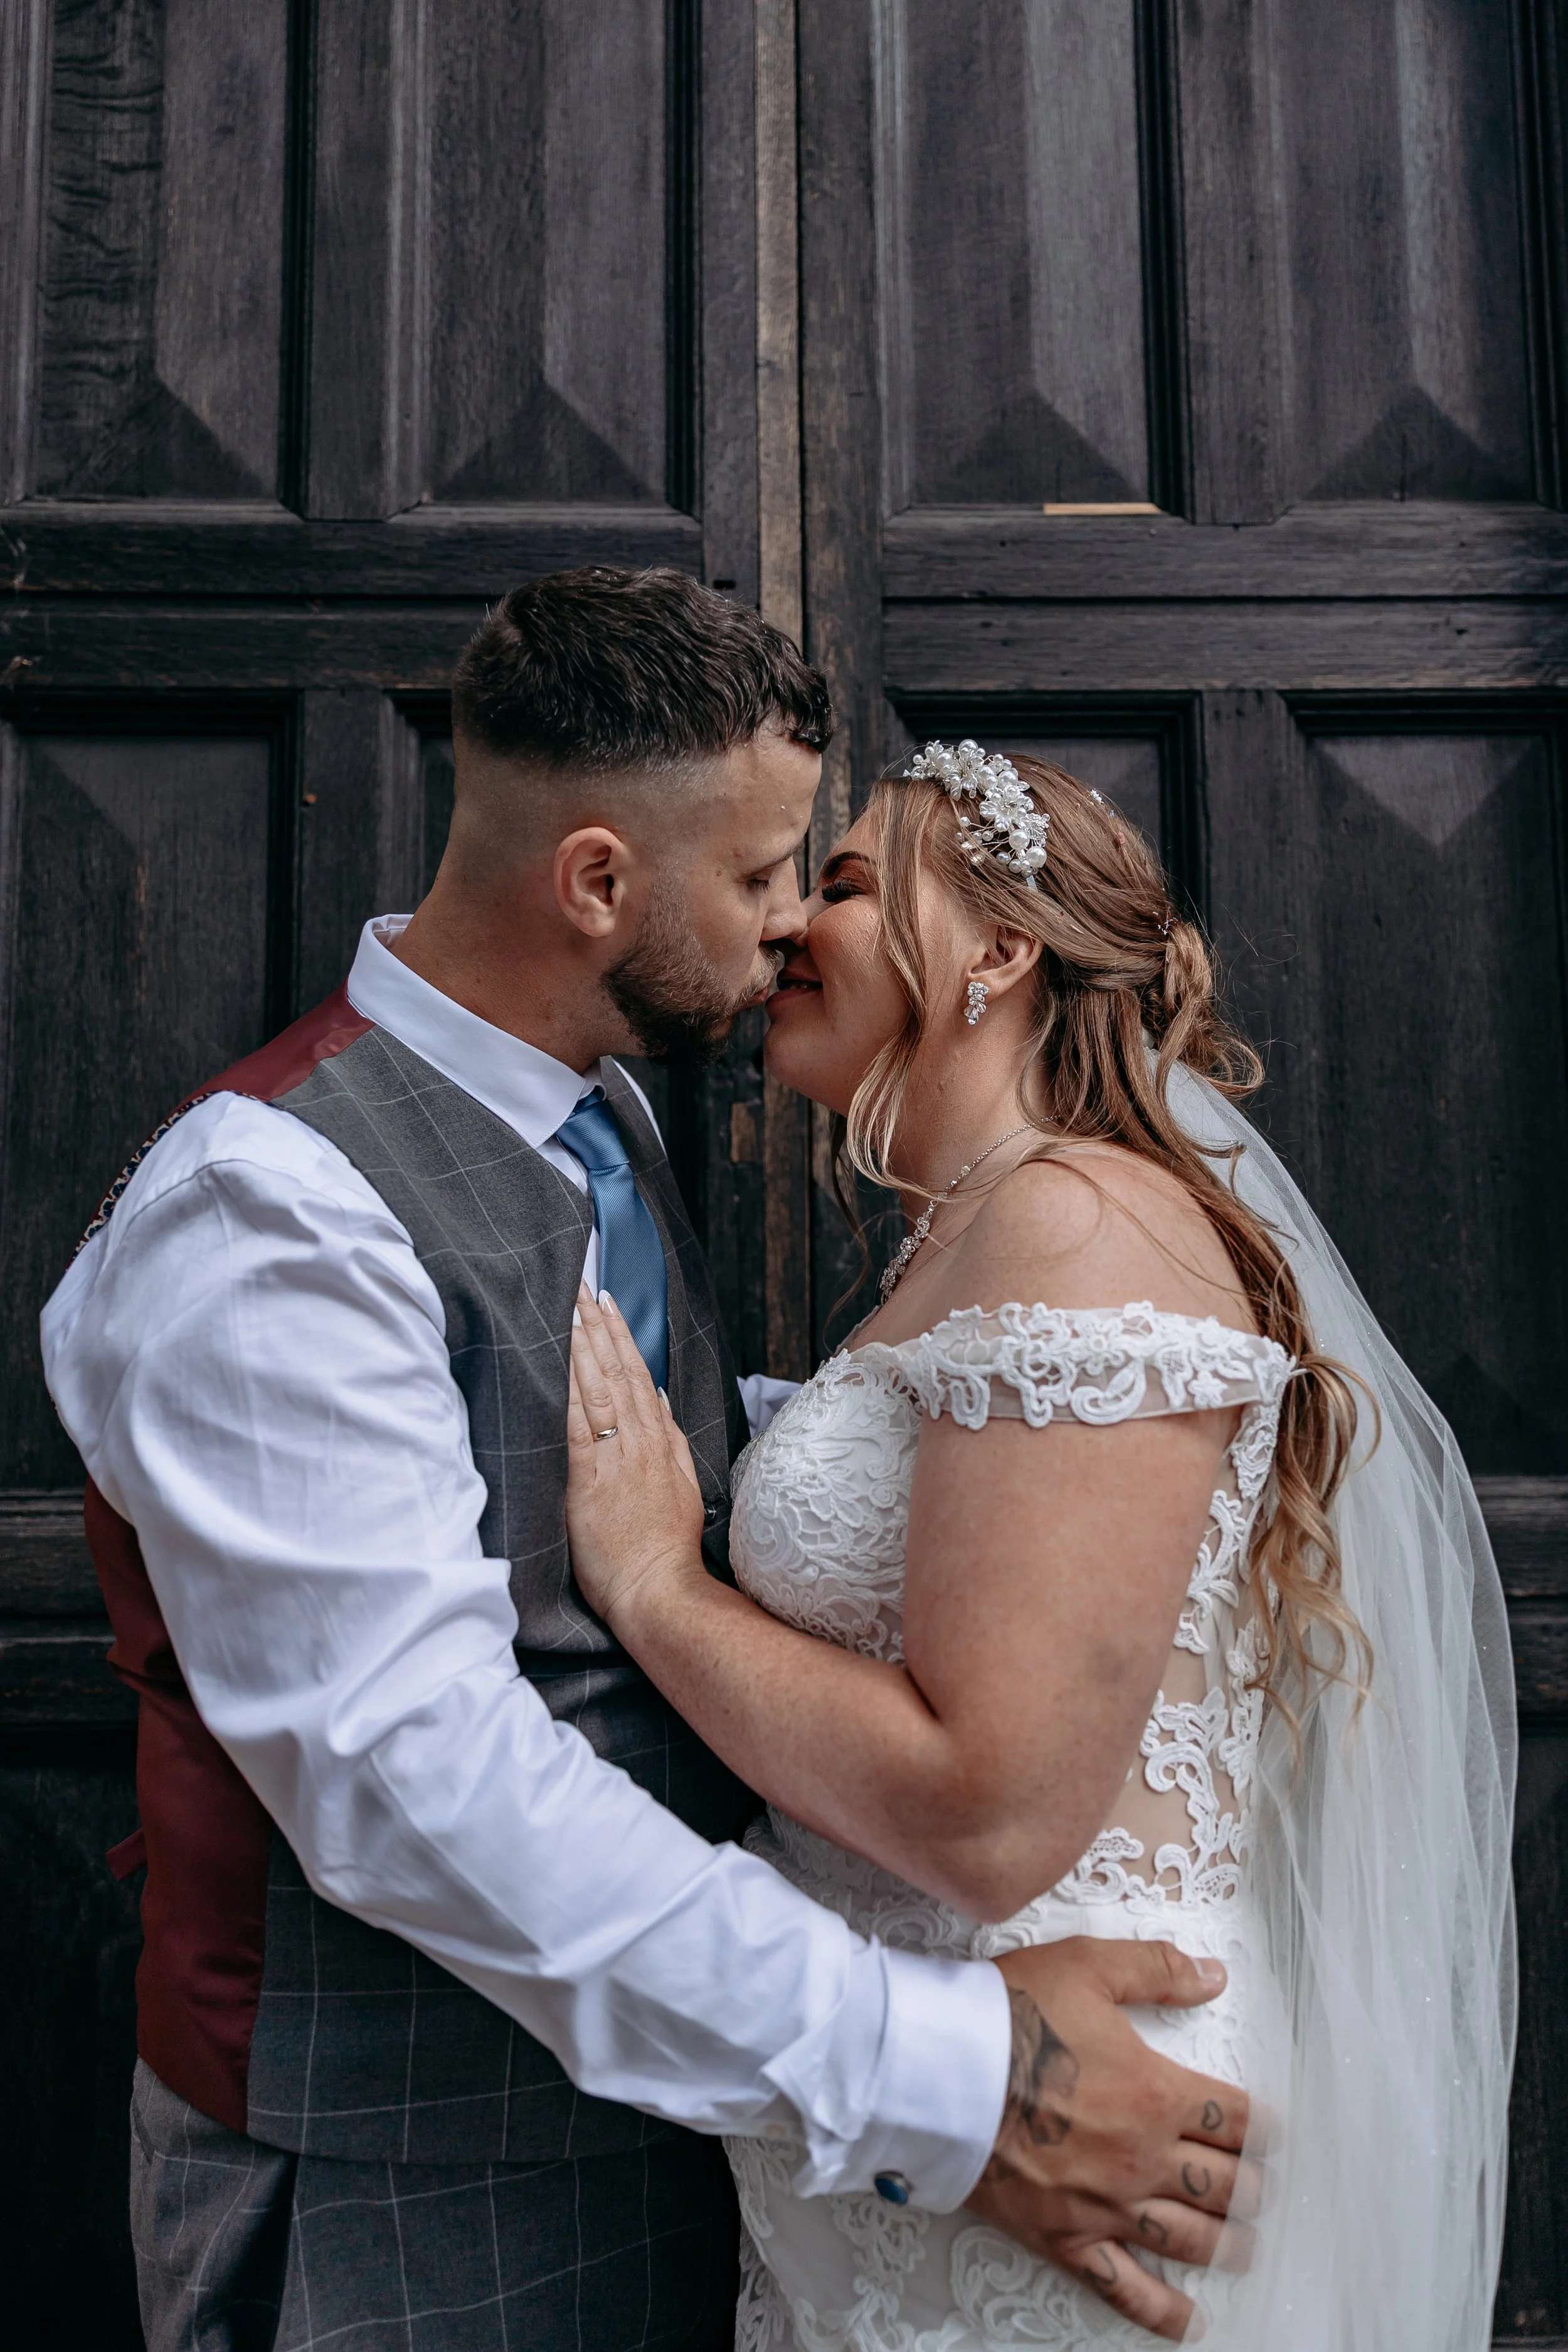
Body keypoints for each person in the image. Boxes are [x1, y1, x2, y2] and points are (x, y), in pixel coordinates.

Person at [42, 578, 1251, 2352]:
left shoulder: (597, 1107)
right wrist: (942, 2069)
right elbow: (413, 1780)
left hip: (711, 2135)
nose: (790, 929)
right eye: (767, 875)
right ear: (597, 880)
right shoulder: (269, 1213)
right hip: (414, 2182)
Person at [562, 739, 1518, 2351]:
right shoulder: (973, 1239)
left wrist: (654, 1584)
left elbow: (987, 1806)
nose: (792, 922)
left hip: (1070, 2123)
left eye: (848, 885)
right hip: (922, 2118)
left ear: (999, 951)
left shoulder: (1075, 1223)